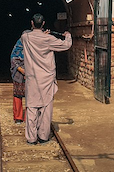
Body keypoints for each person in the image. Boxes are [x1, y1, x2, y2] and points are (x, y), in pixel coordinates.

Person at [20, 13, 72, 145]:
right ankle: (43, 136)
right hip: (47, 78)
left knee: (31, 107)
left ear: (32, 23)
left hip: (32, 78)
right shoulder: (49, 40)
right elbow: (66, 45)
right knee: (46, 107)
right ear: (43, 24)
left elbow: (26, 33)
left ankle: (31, 138)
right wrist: (67, 35)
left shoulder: (25, 37)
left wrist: (42, 33)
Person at [10, 37, 26, 124]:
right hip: (18, 74)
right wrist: (21, 69)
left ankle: (29, 117)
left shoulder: (34, 45)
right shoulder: (18, 47)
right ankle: (18, 117)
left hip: (31, 74)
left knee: (31, 97)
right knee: (17, 95)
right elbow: (13, 59)